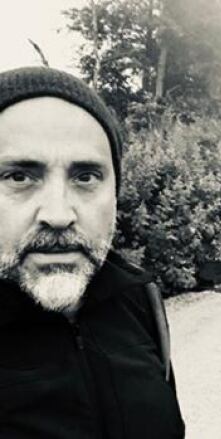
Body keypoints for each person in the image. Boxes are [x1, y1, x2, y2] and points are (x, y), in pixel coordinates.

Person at [0, 67, 185, 438]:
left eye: (85, 177)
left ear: (115, 193)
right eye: (20, 176)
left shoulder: (138, 298)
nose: (58, 215)